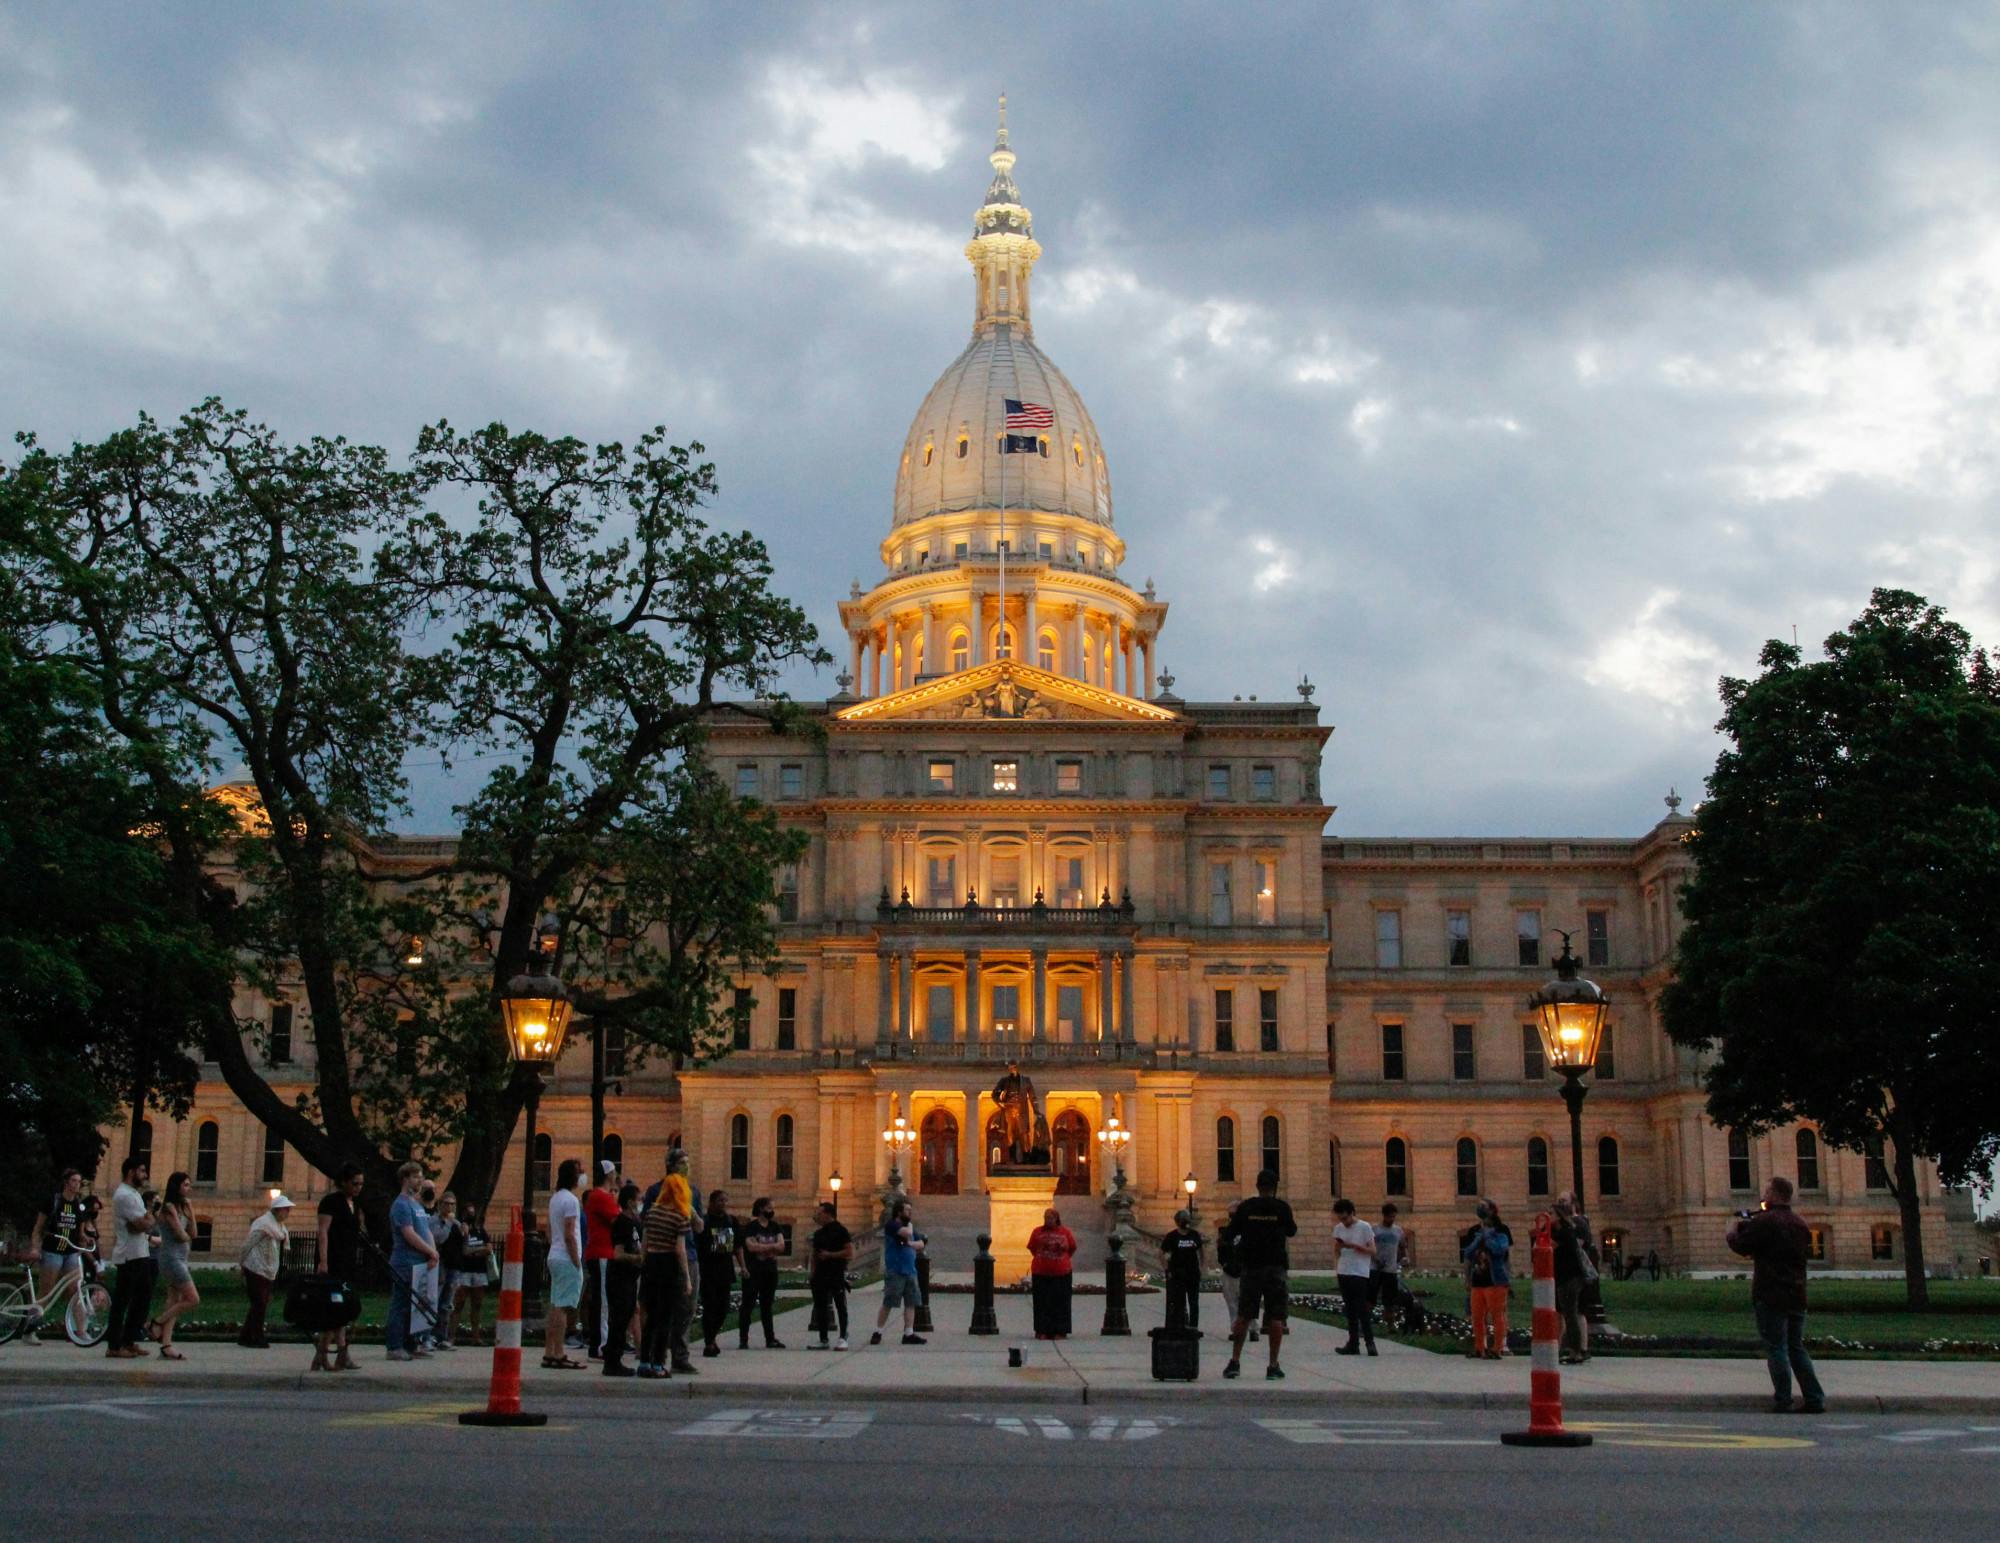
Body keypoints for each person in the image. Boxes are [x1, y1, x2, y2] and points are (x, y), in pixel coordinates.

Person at [1727, 1176, 1827, 1415]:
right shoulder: (1800, 1224)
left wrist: (1732, 1231)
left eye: (1767, 1191)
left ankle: (1783, 1399)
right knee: (1796, 1347)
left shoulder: (1766, 1222)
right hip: (1797, 1293)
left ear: (1774, 1194)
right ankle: (1814, 1398)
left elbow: (1742, 1246)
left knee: (1776, 1347)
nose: (1763, 1195)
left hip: (1771, 1293)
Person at [1222, 1170, 1296, 1380]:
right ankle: (1273, 1365)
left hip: (1252, 1267)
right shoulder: (1282, 1208)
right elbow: (1291, 1231)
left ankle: (1235, 1361)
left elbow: (1229, 1234)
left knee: (1244, 1316)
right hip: (1275, 1267)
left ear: (1257, 1186)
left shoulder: (1246, 1207)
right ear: (1275, 1187)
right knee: (1275, 1317)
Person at [638, 1159, 694, 1379]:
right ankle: (659, 1363)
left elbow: (644, 1244)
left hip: (651, 1262)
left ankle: (644, 1361)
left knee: (651, 1316)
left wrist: (644, 1262)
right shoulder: (679, 1216)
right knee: (665, 1317)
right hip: (669, 1265)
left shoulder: (652, 1213)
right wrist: (687, 1278)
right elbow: (680, 1250)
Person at [386, 1161, 439, 1362]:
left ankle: (411, 1343)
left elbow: (425, 1230)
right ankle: (394, 1346)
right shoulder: (400, 1204)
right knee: (400, 1304)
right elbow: (408, 1234)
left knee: (415, 1306)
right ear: (405, 1179)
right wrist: (430, 1251)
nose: (420, 1180)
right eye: (416, 1176)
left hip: (420, 1261)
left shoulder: (416, 1204)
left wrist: (432, 1252)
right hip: (404, 1262)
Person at [105, 1155, 156, 1359]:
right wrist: (147, 1219)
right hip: (128, 1255)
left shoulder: (134, 1193)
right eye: (142, 1171)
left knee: (142, 1298)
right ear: (131, 1172)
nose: (145, 1175)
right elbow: (140, 1225)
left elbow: (144, 1223)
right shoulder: (124, 1195)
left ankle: (129, 1339)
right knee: (122, 1300)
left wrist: (146, 1220)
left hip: (140, 1252)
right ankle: (114, 1345)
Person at [27, 1168, 87, 1339]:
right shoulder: (53, 1201)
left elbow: (80, 1231)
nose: (77, 1185)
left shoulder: (78, 1205)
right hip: (53, 1250)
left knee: (75, 1289)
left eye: (79, 1181)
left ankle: (80, 1330)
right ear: (66, 1183)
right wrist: (35, 1247)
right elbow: (38, 1228)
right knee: (46, 1290)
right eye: (74, 1181)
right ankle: (31, 1327)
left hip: (71, 1251)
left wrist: (85, 1239)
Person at [314, 1162, 363, 1371]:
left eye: (361, 1184)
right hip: (334, 1261)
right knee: (335, 1310)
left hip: (348, 1262)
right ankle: (331, 1356)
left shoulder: (354, 1204)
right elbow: (323, 1231)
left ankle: (330, 1356)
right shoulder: (330, 1202)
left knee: (342, 1311)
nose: (358, 1187)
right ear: (343, 1182)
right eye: (354, 1183)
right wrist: (323, 1261)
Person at [542, 1158, 586, 1370]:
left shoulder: (555, 1198)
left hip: (555, 1255)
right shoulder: (571, 1201)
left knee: (555, 1304)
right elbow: (570, 1233)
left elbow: (550, 1230)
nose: (582, 1175)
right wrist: (576, 1259)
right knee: (564, 1306)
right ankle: (558, 1352)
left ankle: (549, 1351)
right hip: (566, 1257)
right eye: (579, 1172)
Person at [151, 1172, 197, 1360]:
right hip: (171, 1258)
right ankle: (156, 1323)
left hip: (181, 1257)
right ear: (176, 1186)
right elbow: (181, 1235)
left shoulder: (184, 1207)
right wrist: (187, 1235)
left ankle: (166, 1345)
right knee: (193, 1299)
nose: (188, 1188)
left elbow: (193, 1232)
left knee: (173, 1301)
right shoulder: (168, 1208)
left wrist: (192, 1212)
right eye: (185, 1184)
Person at [238, 1193, 292, 1348]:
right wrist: (242, 1264)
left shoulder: (278, 1226)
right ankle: (256, 1336)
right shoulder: (262, 1224)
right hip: (255, 1267)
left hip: (266, 1269)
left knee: (260, 1303)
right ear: (278, 1210)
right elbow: (248, 1244)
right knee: (259, 1302)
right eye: (286, 1209)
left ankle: (246, 1335)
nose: (288, 1213)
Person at [871, 1200, 927, 1347]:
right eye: (907, 1210)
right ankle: (878, 1331)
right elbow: (907, 1233)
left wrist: (909, 1244)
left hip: (910, 1271)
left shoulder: (908, 1226)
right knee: (888, 1302)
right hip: (895, 1271)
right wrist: (910, 1231)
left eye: (910, 1210)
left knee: (911, 1303)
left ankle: (908, 1333)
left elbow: (921, 1244)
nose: (910, 1212)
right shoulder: (892, 1225)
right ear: (899, 1212)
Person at [1462, 1201, 1512, 1359]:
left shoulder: (1501, 1233)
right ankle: (1479, 1347)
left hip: (1495, 1280)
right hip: (1478, 1280)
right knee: (1477, 1316)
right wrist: (1467, 1278)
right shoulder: (1475, 1233)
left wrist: (1488, 1237)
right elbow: (1468, 1253)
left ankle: (1497, 1348)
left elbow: (1500, 1252)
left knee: (1497, 1315)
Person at [602, 1183, 642, 1376]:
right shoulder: (621, 1223)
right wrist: (636, 1259)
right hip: (619, 1278)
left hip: (630, 1277)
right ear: (629, 1202)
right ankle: (612, 1361)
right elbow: (617, 1254)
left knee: (625, 1317)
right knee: (619, 1319)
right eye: (638, 1199)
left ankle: (614, 1358)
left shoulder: (635, 1223)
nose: (640, 1203)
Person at [1551, 1192, 1595, 1365]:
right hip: (1564, 1275)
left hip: (1571, 1275)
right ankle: (1567, 1349)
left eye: (1563, 1201)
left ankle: (1576, 1351)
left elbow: (1577, 1247)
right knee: (1567, 1314)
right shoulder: (1564, 1229)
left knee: (1572, 1314)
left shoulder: (1574, 1227)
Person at [582, 1159, 621, 1359]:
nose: (616, 1175)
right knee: (604, 1301)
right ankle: (601, 1344)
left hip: (600, 1253)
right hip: (602, 1253)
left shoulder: (598, 1197)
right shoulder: (601, 1197)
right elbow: (618, 1221)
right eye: (614, 1171)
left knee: (601, 1299)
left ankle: (599, 1342)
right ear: (608, 1174)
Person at [1331, 1198, 1378, 1356]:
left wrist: (1356, 1247)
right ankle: (1353, 1343)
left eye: (1345, 1218)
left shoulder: (1364, 1227)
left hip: (1359, 1272)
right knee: (1350, 1310)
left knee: (1362, 1309)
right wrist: (1337, 1266)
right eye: (1340, 1218)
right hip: (1344, 1271)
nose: (1343, 1222)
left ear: (1352, 1213)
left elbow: (1373, 1250)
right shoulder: (1339, 1228)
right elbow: (1337, 1249)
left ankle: (1370, 1343)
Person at [738, 1197, 786, 1349]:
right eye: (769, 1208)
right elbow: (751, 1248)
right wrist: (772, 1247)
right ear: (761, 1209)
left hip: (770, 1271)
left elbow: (782, 1247)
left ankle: (770, 1339)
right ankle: (743, 1339)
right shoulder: (751, 1227)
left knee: (767, 1305)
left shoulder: (775, 1226)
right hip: (753, 1271)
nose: (772, 1211)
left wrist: (762, 1246)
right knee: (748, 1305)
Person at [698, 1189, 740, 1357]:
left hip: (725, 1270)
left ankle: (712, 1337)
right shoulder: (705, 1222)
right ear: (712, 1202)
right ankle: (709, 1342)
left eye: (725, 1201)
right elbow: (701, 1245)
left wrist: (742, 1266)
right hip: (708, 1270)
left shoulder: (731, 1221)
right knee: (710, 1307)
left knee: (723, 1308)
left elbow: (736, 1246)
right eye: (720, 1201)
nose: (723, 1204)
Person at [1027, 1206, 1078, 1340]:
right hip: (1041, 1273)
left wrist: (1062, 1259)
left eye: (1050, 1218)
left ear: (1056, 1219)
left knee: (1060, 1303)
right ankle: (1042, 1330)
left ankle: (1060, 1331)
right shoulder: (1037, 1232)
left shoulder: (1065, 1232)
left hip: (1061, 1273)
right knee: (1041, 1302)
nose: (1047, 1220)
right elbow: (1032, 1248)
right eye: (1046, 1218)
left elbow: (1072, 1247)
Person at [808, 1200, 853, 1351]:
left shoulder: (841, 1231)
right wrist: (812, 1273)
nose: (817, 1216)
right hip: (820, 1275)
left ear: (828, 1214)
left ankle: (843, 1337)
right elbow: (814, 1254)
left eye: (819, 1213)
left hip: (835, 1273)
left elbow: (849, 1252)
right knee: (820, 1307)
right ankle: (823, 1339)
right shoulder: (818, 1233)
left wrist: (830, 1255)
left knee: (840, 1306)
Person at [448, 1203, 492, 1349]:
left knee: (477, 1305)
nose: (471, 1216)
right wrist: (478, 1250)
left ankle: (476, 1337)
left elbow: (489, 1249)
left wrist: (474, 1251)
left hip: (480, 1272)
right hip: (464, 1271)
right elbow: (464, 1251)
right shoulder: (460, 1230)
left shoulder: (481, 1231)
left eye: (473, 1213)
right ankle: (451, 1337)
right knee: (458, 1304)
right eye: (469, 1213)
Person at [425, 1192, 463, 1350]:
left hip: (454, 1266)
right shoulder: (433, 1221)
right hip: (440, 1264)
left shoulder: (456, 1223)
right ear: (440, 1204)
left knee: (447, 1303)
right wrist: (448, 1222)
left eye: (452, 1204)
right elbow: (438, 1238)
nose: (449, 1207)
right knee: (435, 1299)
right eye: (446, 1203)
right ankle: (428, 1335)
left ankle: (442, 1336)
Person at [1371, 1202, 1416, 1334]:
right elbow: (1370, 1248)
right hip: (1375, 1269)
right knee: (1371, 1298)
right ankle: (1365, 1324)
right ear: (1384, 1216)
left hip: (1390, 1270)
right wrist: (1375, 1259)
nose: (1392, 1220)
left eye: (1394, 1217)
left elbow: (1403, 1246)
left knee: (1389, 1301)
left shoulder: (1398, 1231)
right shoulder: (1375, 1230)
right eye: (1389, 1217)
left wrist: (1405, 1257)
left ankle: (1391, 1326)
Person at [1162, 1210, 1205, 1331]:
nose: (1185, 1221)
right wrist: (1166, 1268)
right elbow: (1161, 1253)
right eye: (1183, 1219)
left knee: (1194, 1302)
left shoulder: (1194, 1235)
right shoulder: (1172, 1236)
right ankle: (1181, 1325)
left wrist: (1202, 1267)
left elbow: (1201, 1252)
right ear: (1177, 1222)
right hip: (1178, 1273)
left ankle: (1193, 1326)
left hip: (1193, 1273)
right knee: (1179, 1301)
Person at [414, 1181, 444, 1350]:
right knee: (418, 1300)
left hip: (435, 1260)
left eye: (432, 1189)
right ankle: (418, 1336)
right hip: (420, 1259)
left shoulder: (438, 1214)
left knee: (433, 1300)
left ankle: (428, 1336)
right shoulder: (417, 1210)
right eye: (426, 1189)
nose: (429, 1192)